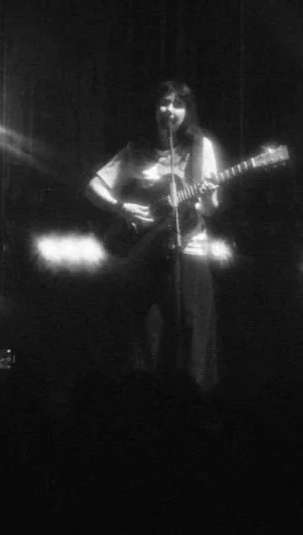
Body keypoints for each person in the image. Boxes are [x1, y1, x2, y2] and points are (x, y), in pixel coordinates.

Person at [85, 80, 221, 393]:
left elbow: (210, 208)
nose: (169, 110)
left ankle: (190, 395)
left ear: (188, 111)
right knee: (144, 328)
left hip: (187, 250)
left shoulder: (201, 148)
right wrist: (122, 208)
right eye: (164, 103)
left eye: (177, 104)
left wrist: (211, 194)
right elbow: (93, 186)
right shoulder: (136, 151)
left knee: (188, 323)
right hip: (143, 253)